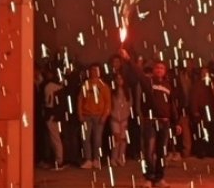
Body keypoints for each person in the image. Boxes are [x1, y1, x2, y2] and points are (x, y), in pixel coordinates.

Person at [121, 50, 183, 188]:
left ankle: (159, 178)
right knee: (148, 151)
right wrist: (128, 59)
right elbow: (138, 72)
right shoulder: (147, 81)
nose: (159, 70)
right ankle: (149, 178)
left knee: (162, 152)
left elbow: (172, 105)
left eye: (162, 68)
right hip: (150, 121)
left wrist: (176, 123)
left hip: (164, 122)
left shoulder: (168, 86)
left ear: (165, 71)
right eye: (157, 68)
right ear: (153, 70)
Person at [78, 64, 111, 168]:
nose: (94, 72)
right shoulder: (86, 84)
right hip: (86, 115)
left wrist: (104, 115)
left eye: (96, 70)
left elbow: (108, 102)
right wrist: (80, 114)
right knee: (85, 138)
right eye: (92, 70)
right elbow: (80, 100)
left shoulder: (103, 86)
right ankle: (88, 159)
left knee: (97, 139)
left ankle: (96, 159)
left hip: (99, 116)